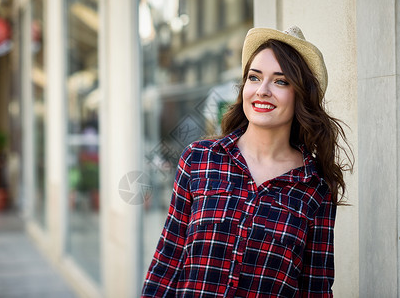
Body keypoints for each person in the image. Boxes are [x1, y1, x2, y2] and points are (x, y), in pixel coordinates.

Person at [141, 26, 353, 297]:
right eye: (254, 77)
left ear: (301, 94)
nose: (262, 90)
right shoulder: (200, 159)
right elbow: (167, 260)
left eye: (280, 81)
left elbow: (315, 288)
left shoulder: (315, 187)